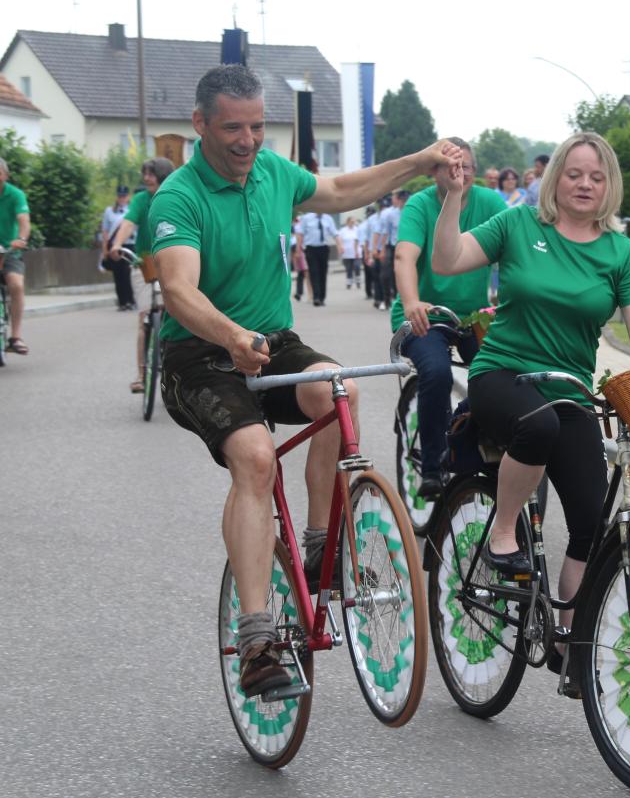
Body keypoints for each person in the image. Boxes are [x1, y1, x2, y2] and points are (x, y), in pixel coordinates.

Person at [148, 64, 460, 699]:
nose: (247, 140)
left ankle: (320, 543)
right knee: (257, 461)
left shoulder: (272, 173)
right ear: (200, 124)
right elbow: (178, 288)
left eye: (258, 126)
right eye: (232, 127)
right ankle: (259, 639)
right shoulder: (178, 196)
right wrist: (232, 337)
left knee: (336, 389)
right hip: (199, 356)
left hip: (272, 341)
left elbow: (345, 187)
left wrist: (420, 159)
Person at [431, 131, 630, 694]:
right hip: (502, 374)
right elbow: (448, 259)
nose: (584, 184)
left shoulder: (619, 252)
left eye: (596, 177)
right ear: (557, 178)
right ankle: (503, 529)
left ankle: (568, 641)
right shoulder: (518, 225)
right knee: (537, 425)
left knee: (588, 522)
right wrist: (453, 198)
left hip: (570, 387)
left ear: (609, 187)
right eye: (575, 173)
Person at [392, 137, 506, 498]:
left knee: (504, 370)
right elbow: (404, 257)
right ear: (435, 171)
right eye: (452, 166)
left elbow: (513, 251)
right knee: (437, 372)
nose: (461, 173)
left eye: (467, 167)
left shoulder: (490, 202)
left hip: (474, 315)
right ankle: (431, 466)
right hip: (427, 314)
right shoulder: (420, 205)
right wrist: (412, 302)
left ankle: (468, 431)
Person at [108, 157, 176, 393]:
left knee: (178, 313)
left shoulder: (175, 195)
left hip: (173, 260)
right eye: (145, 173)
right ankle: (141, 374)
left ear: (163, 175)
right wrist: (116, 244)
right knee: (145, 315)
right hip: (144, 262)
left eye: (151, 173)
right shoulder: (140, 199)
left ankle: (179, 367)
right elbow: (128, 223)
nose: (146, 178)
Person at [0, 157, 31, 356]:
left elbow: (24, 220)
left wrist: (21, 237)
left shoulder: (16, 195)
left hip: (9, 250)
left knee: (16, 285)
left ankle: (15, 336)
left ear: (5, 175)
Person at [101, 186, 135, 311]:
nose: (122, 198)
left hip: (129, 244)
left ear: (128, 197)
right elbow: (105, 231)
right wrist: (105, 249)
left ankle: (130, 300)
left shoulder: (132, 209)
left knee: (128, 273)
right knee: (118, 275)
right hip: (114, 245)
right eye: (120, 196)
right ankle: (122, 302)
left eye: (124, 196)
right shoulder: (109, 211)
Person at [376, 189, 408, 309]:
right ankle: (386, 300)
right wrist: (382, 249)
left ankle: (399, 299)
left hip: (407, 248)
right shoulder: (391, 214)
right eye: (402, 200)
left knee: (401, 274)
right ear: (398, 200)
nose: (404, 203)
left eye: (406, 200)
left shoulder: (411, 212)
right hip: (392, 246)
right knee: (385, 274)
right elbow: (385, 233)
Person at [301, 208, 338, 306]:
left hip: (324, 248)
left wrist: (340, 245)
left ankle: (322, 297)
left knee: (323, 272)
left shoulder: (328, 218)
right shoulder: (306, 218)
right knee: (314, 272)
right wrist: (298, 248)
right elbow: (300, 233)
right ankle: (316, 297)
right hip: (310, 248)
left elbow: (335, 233)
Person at [357, 205, 379, 300]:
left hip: (367, 249)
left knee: (369, 273)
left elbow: (361, 240)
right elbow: (363, 239)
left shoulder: (363, 225)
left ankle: (369, 292)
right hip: (371, 249)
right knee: (374, 272)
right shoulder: (369, 223)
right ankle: (372, 291)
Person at [337, 215, 362, 290]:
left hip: (356, 252)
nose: (352, 223)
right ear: (347, 222)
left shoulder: (357, 229)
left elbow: (360, 240)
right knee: (349, 269)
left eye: (354, 222)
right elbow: (339, 239)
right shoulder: (343, 230)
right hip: (347, 253)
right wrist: (340, 248)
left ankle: (358, 281)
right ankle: (349, 283)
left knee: (357, 266)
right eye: (351, 221)